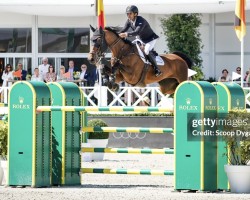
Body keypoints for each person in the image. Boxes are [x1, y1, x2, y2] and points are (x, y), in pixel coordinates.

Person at [118, 5, 162, 77]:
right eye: (127, 14)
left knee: (146, 50)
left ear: (135, 14)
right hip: (142, 39)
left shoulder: (141, 20)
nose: (128, 15)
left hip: (150, 39)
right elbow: (123, 30)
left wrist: (125, 34)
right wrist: (116, 34)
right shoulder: (129, 21)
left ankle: (157, 69)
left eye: (130, 13)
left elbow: (136, 32)